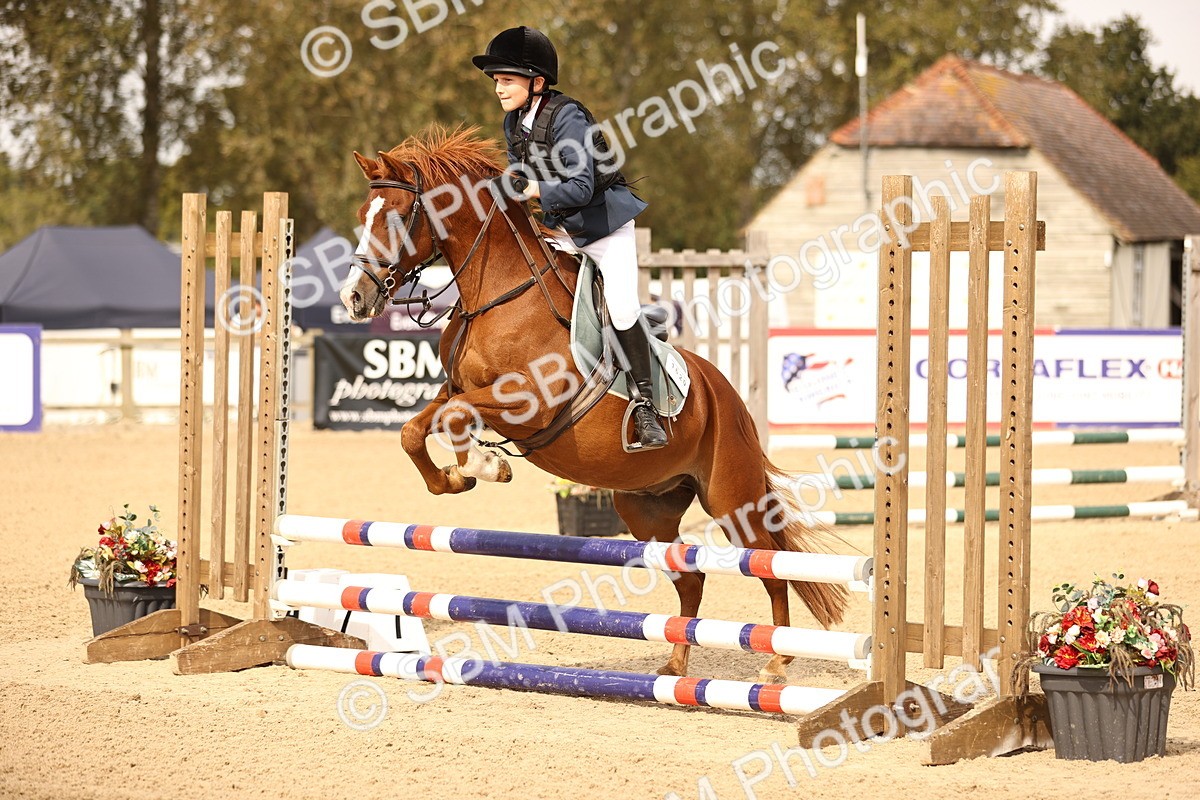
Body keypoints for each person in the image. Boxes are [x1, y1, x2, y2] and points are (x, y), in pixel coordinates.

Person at [472, 25, 668, 452]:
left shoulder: (568, 116)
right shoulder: (513, 122)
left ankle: (647, 406)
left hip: (604, 228)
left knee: (619, 307)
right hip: (562, 228)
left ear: (536, 82)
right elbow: (520, 175)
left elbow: (579, 188)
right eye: (497, 80)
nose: (499, 88)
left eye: (507, 79)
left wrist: (532, 189)